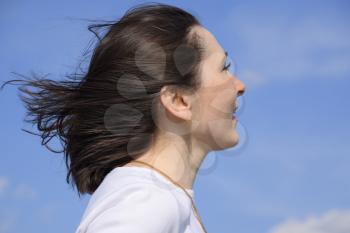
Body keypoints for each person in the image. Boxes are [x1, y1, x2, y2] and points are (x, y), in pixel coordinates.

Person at [4, 2, 245, 233]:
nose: (240, 85)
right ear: (179, 101)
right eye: (224, 68)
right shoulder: (147, 199)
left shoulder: (160, 196)